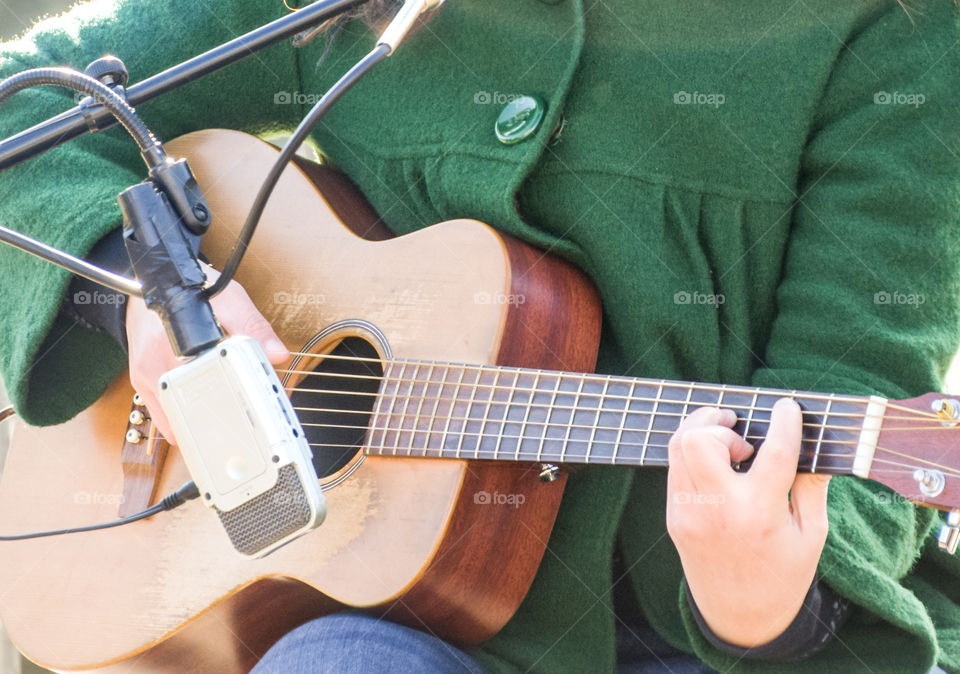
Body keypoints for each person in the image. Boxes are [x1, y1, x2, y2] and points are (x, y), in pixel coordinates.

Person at [1, 0, 959, 672]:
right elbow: (25, 106)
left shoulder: (897, 30)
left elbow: (860, 375)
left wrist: (767, 607)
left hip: (680, 642)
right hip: (383, 624)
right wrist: (141, 294)